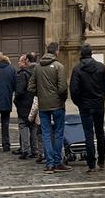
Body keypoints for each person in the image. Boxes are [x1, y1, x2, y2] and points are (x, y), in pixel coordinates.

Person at [30, 42, 70, 173]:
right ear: (57, 52)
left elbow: (30, 87)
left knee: (46, 134)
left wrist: (40, 94)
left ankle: (49, 164)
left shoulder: (37, 68)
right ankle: (57, 162)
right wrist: (61, 99)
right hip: (58, 104)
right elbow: (63, 87)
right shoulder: (59, 66)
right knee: (58, 133)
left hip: (43, 105)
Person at [69, 44, 105, 172]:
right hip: (98, 103)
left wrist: (79, 103)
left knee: (88, 133)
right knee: (100, 132)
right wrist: (102, 97)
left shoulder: (77, 69)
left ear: (81, 54)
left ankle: (91, 163)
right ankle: (102, 159)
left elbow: (74, 90)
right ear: (91, 53)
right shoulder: (101, 67)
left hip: (85, 104)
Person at [14, 52, 40, 161]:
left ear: (27, 61)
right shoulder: (39, 71)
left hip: (24, 103)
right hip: (35, 102)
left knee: (23, 125)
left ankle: (25, 149)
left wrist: (16, 100)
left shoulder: (22, 74)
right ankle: (35, 150)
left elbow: (19, 91)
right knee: (33, 126)